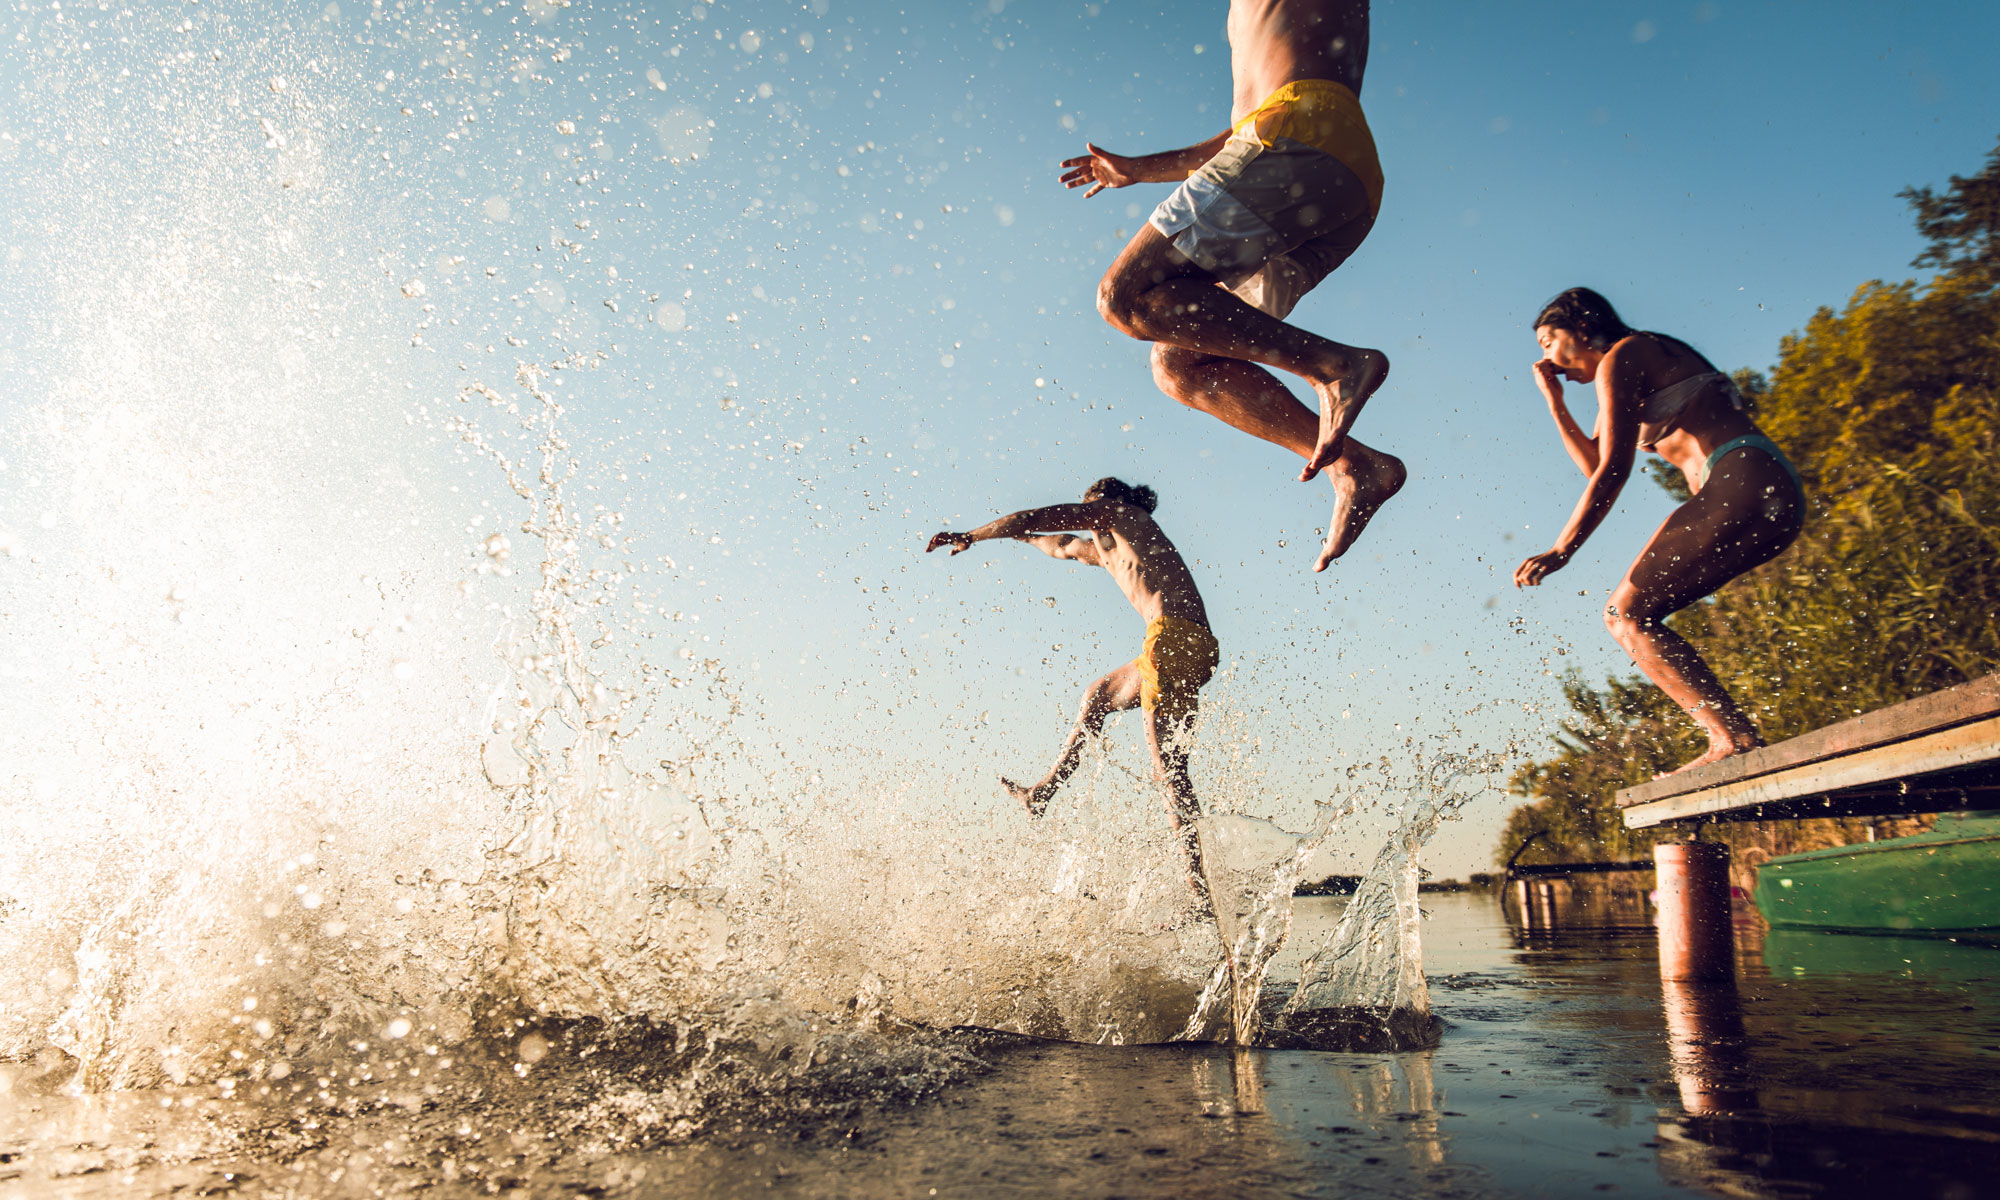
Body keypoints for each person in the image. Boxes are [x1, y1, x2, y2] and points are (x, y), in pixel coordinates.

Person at [1060, 0, 1403, 572]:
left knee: (1127, 297)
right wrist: (1139, 169)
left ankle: (1335, 366)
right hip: (1336, 175)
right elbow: (1244, 135)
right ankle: (1355, 467)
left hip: (1299, 137)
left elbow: (1267, 128)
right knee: (1179, 363)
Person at [1515, 287, 1806, 774]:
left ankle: (1732, 738)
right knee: (1635, 615)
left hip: (1738, 475)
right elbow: (1594, 465)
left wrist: (1562, 548)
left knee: (1624, 615)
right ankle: (1734, 737)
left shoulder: (1625, 355)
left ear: (1582, 328)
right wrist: (1555, 403)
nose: (1547, 358)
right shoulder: (1634, 362)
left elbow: (1613, 472)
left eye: (1549, 341)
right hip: (1766, 488)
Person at [926, 478, 1220, 903]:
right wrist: (1021, 537)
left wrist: (973, 535)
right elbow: (1059, 543)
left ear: (1111, 502)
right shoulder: (1110, 548)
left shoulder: (1122, 516)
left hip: (1170, 640)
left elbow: (1037, 516)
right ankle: (1043, 790)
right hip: (1187, 646)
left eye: (1092, 509)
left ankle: (1199, 898)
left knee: (1168, 773)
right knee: (1098, 695)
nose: (1090, 519)